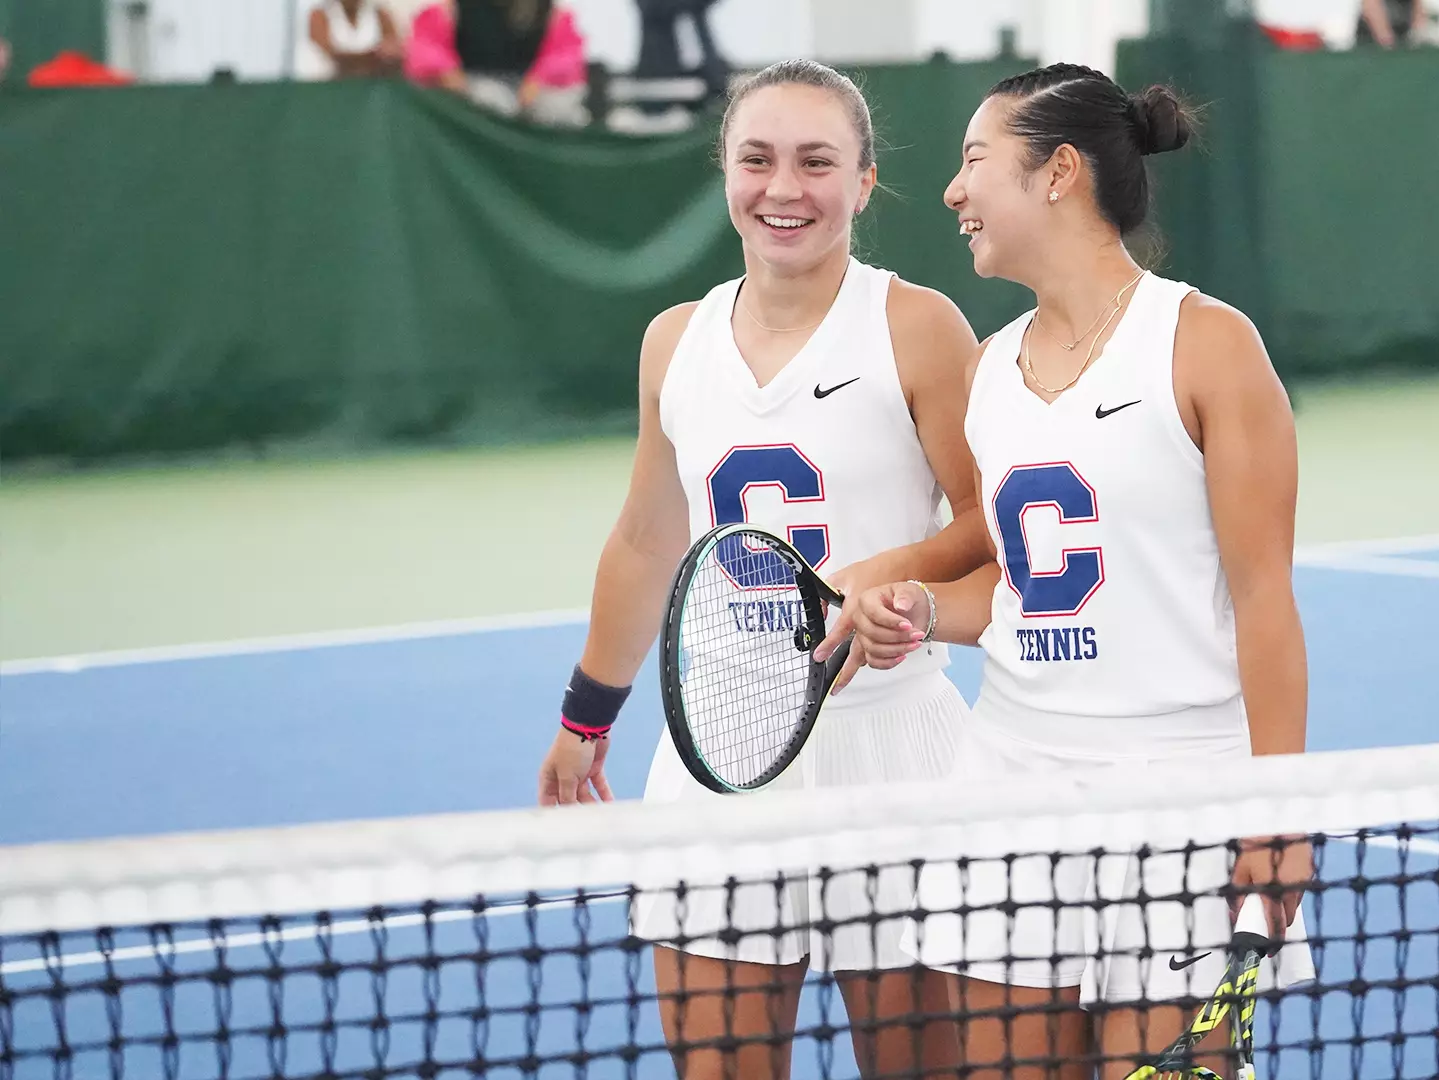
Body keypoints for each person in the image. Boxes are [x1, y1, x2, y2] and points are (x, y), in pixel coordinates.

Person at [826, 64, 1317, 1077]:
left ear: (1057, 173)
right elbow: (1021, 583)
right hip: (1008, 782)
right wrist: (919, 608)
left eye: (973, 162)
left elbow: (1267, 599)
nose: (954, 193)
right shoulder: (989, 373)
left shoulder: (1209, 348)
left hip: (1182, 795)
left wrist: (1279, 817)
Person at [534, 58, 986, 1080]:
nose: (785, 189)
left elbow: (989, 533)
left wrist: (903, 595)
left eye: (817, 162)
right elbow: (647, 541)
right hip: (717, 767)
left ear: (864, 182)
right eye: (759, 159)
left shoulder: (917, 327)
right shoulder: (674, 343)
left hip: (900, 756)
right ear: (724, 170)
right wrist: (583, 720)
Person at [405, 0, 588, 127]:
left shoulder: (551, 10)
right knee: (491, 101)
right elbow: (426, 47)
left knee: (560, 109)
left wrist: (538, 79)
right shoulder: (451, 7)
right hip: (476, 83)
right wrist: (446, 71)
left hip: (531, 88)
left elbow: (567, 54)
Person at [298, 0, 403, 80]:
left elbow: (394, 55)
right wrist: (374, 56)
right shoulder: (319, 15)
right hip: (330, 87)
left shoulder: (381, 15)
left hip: (372, 89)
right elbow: (332, 56)